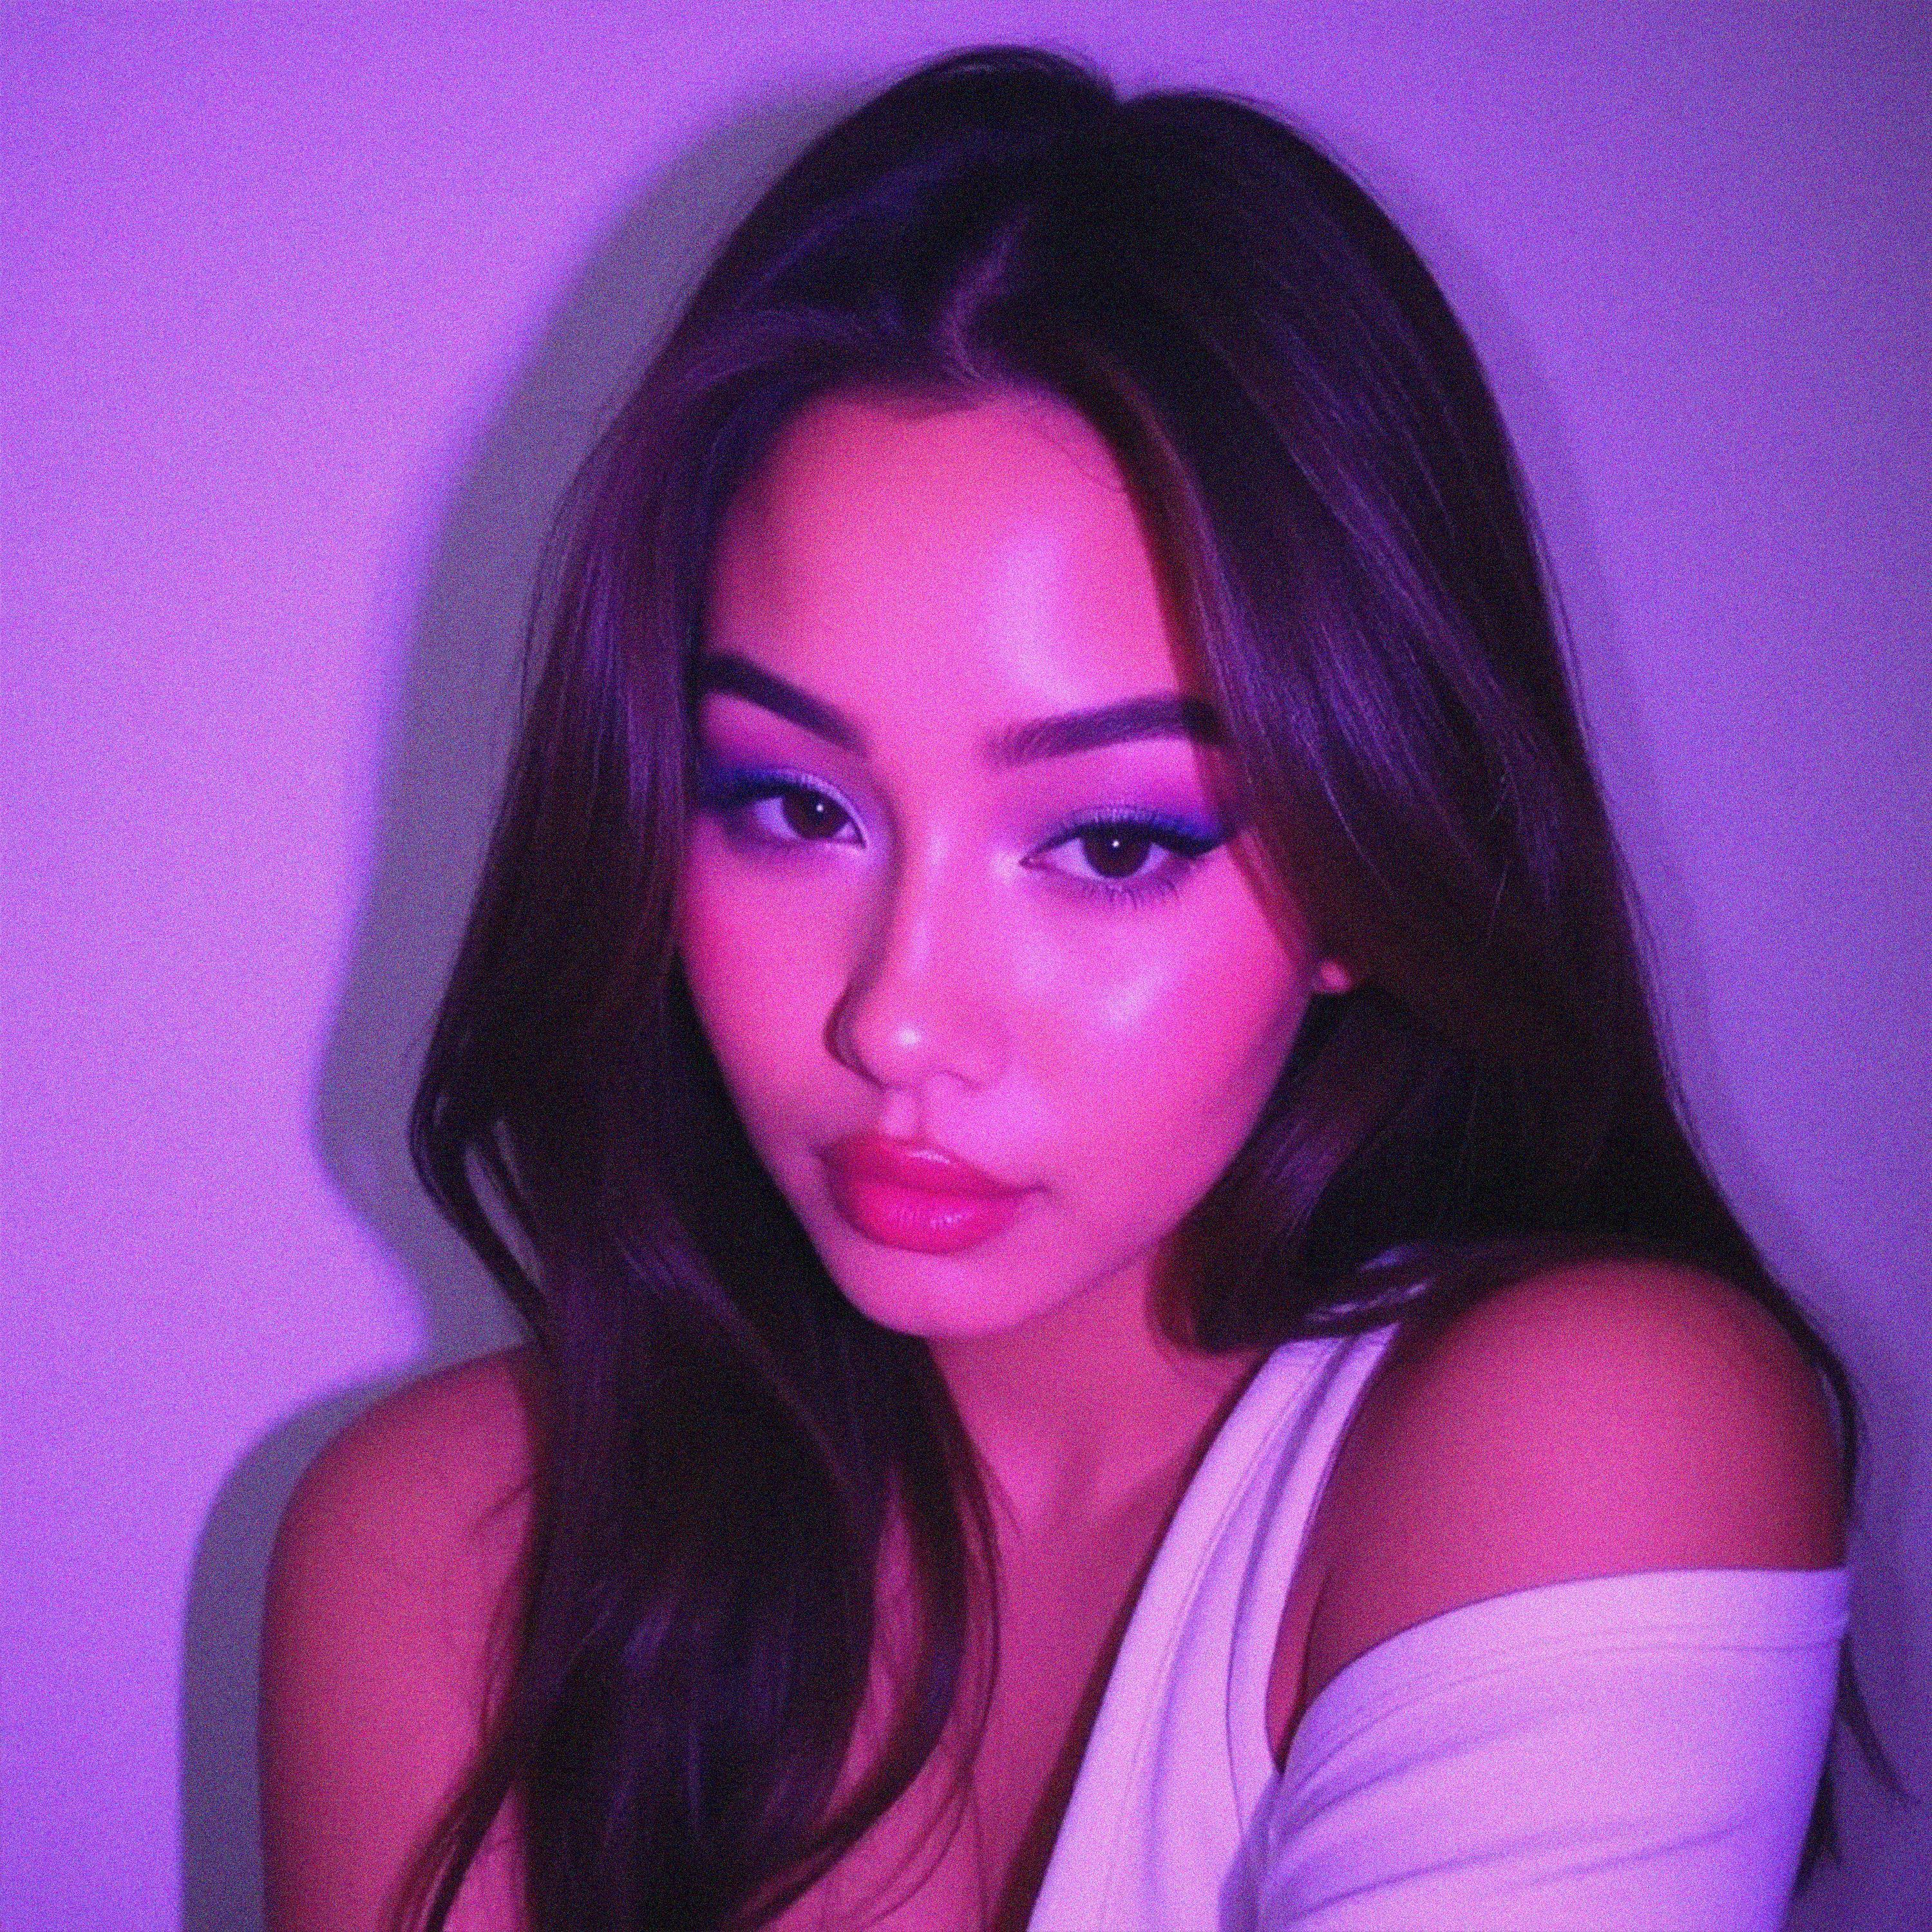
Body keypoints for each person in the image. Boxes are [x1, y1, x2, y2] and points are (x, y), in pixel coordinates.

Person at [260, 44, 1884, 1932]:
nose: (899, 1023)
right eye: (792, 806)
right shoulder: (452, 1554)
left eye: (1112, 843)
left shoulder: (1586, 1435)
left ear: (1371, 855)